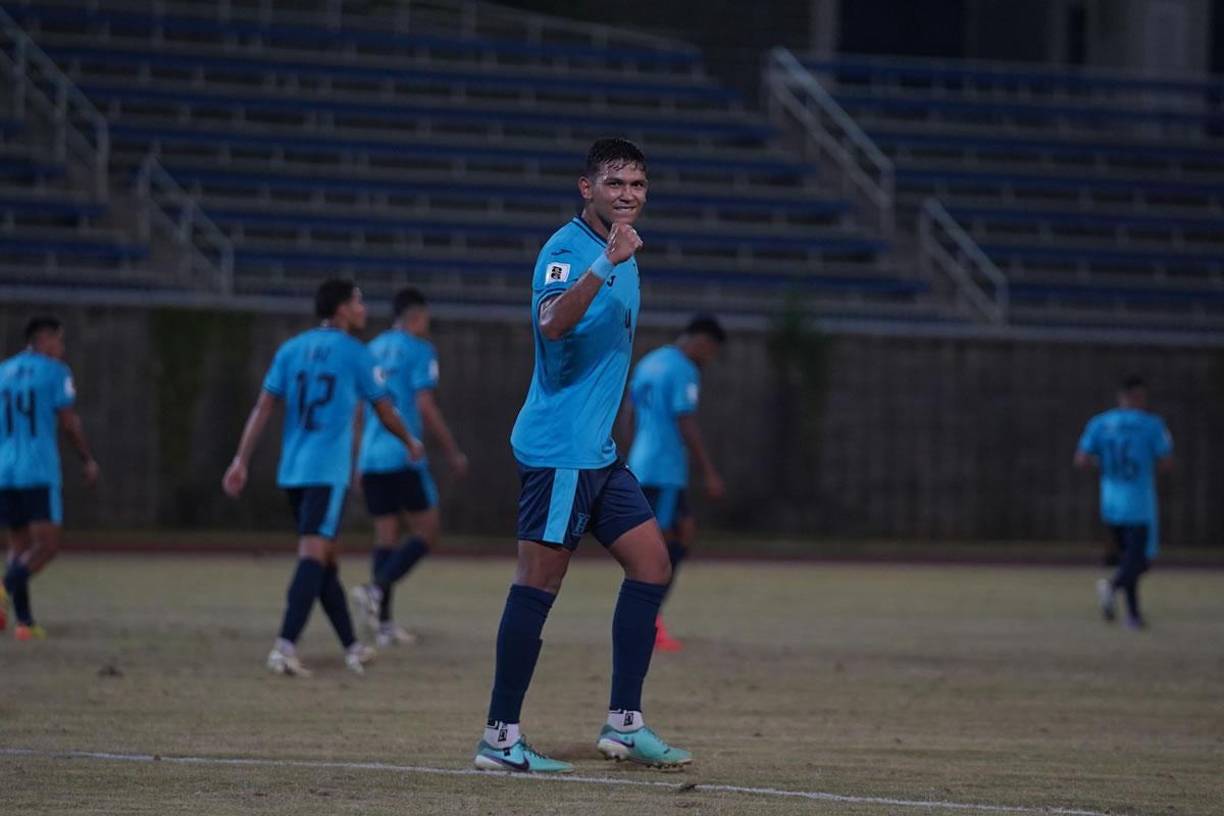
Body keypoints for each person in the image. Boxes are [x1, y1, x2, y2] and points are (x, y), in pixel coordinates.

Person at [473, 138, 691, 774]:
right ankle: (500, 738)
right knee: (537, 585)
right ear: (585, 188)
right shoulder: (569, 250)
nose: (627, 195)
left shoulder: (625, 250)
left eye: (637, 186)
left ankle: (624, 725)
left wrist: (616, 257)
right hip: (560, 450)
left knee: (653, 566)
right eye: (615, 184)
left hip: (598, 455)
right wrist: (605, 262)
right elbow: (551, 324)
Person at [222, 279, 424, 676]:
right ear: (342, 309)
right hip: (326, 471)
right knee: (313, 555)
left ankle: (352, 647)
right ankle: (284, 646)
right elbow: (384, 410)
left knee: (326, 559)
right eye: (358, 301)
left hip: (293, 469)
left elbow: (264, 407)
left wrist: (241, 459)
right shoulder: (355, 354)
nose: (364, 308)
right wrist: (410, 440)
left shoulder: (291, 348)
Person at [351, 287, 468, 648]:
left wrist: (356, 458)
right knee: (428, 531)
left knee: (386, 535)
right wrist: (451, 450)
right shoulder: (420, 350)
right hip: (403, 453)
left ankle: (383, 624)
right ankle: (376, 589)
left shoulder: (371, 350)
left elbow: (358, 408)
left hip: (371, 456)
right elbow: (425, 404)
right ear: (417, 316)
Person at [624, 315, 726, 652]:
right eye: (711, 352)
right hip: (664, 468)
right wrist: (709, 471)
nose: (709, 360)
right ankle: (648, 618)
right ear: (702, 343)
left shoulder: (649, 362)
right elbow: (686, 422)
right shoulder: (683, 369)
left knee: (682, 531)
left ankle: (647, 615)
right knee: (662, 546)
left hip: (642, 463)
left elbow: (628, 412)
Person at [0, 316, 99, 639]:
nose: (62, 348)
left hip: (6, 468)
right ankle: (3, 590)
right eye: (60, 341)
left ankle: (24, 623)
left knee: (19, 547)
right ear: (45, 340)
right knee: (47, 546)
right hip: (38, 468)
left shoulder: (4, 371)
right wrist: (87, 458)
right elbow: (69, 423)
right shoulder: (56, 372)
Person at [1074, 376, 1173, 630]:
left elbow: (1082, 460)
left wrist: (1106, 465)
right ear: (1139, 397)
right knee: (1140, 561)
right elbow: (1165, 462)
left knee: (1127, 559)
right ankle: (1112, 586)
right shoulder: (1152, 425)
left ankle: (1133, 616)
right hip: (1138, 503)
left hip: (1110, 501)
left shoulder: (1100, 423)